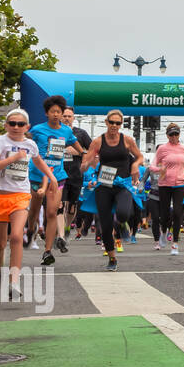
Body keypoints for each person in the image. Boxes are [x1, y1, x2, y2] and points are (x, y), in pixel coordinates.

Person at [0, 110, 59, 297]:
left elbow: (39, 161)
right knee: (0, 244)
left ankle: (14, 281)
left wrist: (52, 177)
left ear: (27, 127)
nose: (16, 127)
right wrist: (11, 159)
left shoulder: (30, 144)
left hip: (20, 195)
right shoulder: (0, 142)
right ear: (6, 125)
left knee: (17, 236)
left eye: (20, 124)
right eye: (12, 123)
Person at [81, 110, 146, 271]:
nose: (114, 126)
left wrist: (135, 165)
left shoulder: (127, 140)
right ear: (106, 122)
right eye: (112, 122)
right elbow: (87, 160)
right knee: (105, 224)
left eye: (118, 123)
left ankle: (122, 223)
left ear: (121, 124)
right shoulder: (98, 142)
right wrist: (84, 165)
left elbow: (139, 157)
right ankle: (112, 258)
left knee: (124, 213)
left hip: (122, 184)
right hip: (104, 185)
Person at [26, 95, 81, 266]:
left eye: (59, 112)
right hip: (37, 176)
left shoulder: (66, 131)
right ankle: (33, 230)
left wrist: (83, 153)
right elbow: (25, 143)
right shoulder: (37, 130)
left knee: (51, 213)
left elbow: (78, 148)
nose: (56, 115)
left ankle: (47, 251)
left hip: (57, 177)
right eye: (53, 112)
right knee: (34, 213)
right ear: (47, 113)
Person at [150, 124, 184, 255]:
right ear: (167, 135)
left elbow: (183, 165)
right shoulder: (162, 149)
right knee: (165, 214)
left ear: (179, 135)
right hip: (165, 184)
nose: (174, 137)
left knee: (178, 213)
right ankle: (163, 231)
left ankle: (175, 244)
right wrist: (160, 170)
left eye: (176, 134)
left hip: (179, 184)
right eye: (171, 134)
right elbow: (152, 166)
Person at [60, 107, 91, 236]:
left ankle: (67, 227)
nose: (67, 118)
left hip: (75, 174)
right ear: (61, 117)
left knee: (72, 206)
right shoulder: (56, 132)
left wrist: (81, 152)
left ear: (73, 118)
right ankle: (60, 233)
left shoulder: (81, 133)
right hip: (59, 174)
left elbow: (92, 151)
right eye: (65, 116)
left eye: (69, 116)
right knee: (60, 204)